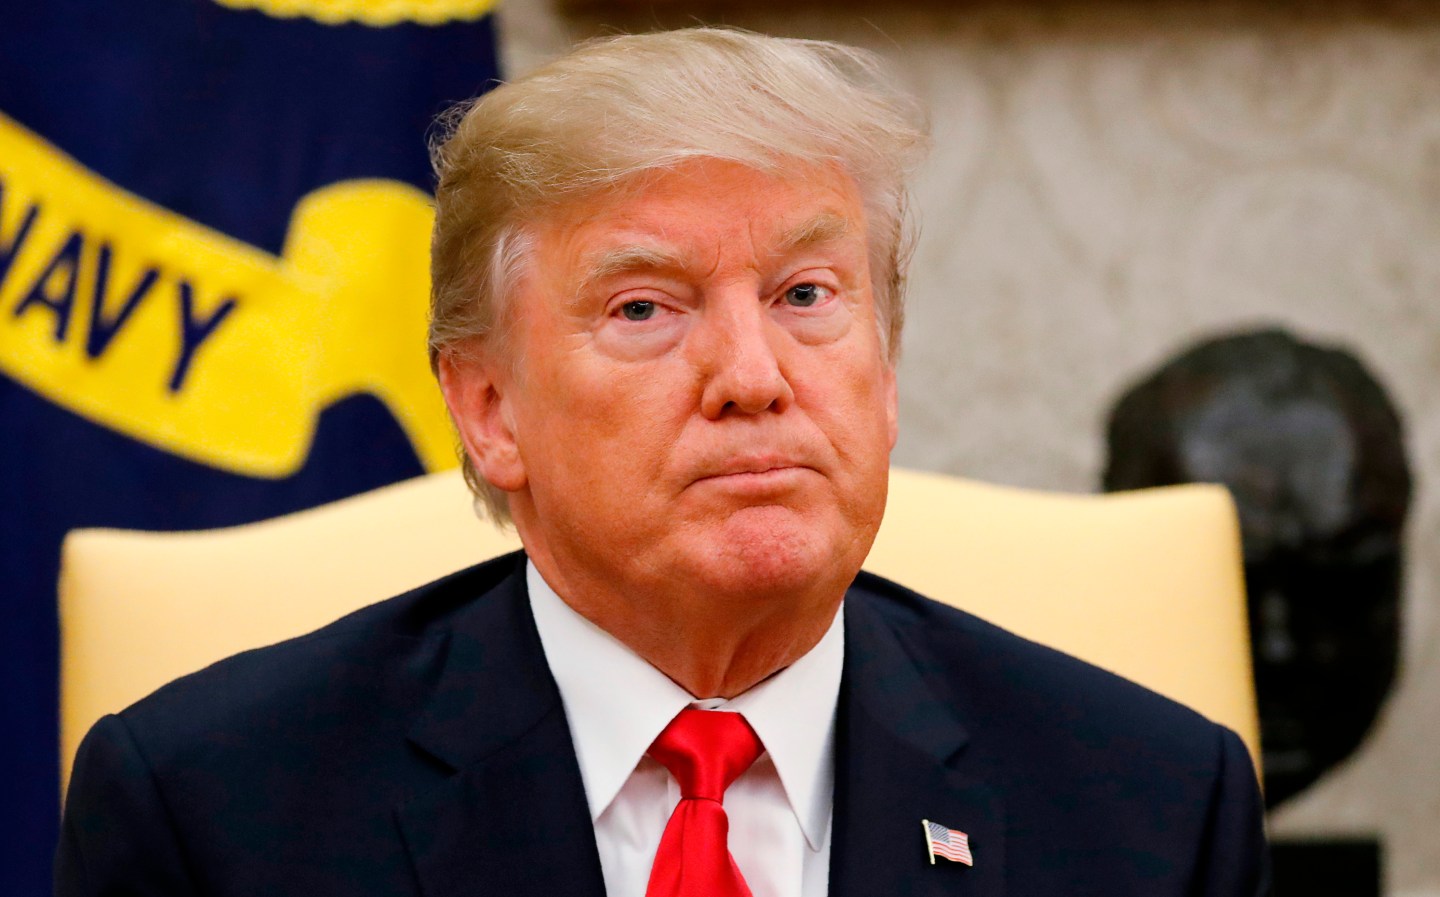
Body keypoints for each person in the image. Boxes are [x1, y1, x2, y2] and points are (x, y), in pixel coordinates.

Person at [56, 28, 1269, 897]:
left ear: (886, 374)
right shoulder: (214, 814)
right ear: (488, 409)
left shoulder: (1153, 809)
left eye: (806, 294)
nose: (754, 373)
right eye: (646, 308)